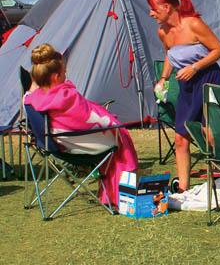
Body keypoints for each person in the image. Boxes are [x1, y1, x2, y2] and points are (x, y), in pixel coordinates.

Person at [23, 43, 139, 210]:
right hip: (74, 145)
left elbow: (33, 92)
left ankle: (111, 194)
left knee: (116, 135)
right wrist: (112, 123)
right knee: (120, 137)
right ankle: (122, 196)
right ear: (56, 76)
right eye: (64, 72)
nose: (66, 75)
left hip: (55, 144)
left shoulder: (32, 98)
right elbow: (88, 117)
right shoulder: (65, 96)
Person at [148, 0, 220, 192]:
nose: (151, 13)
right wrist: (163, 79)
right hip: (187, 84)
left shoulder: (193, 24)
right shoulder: (162, 32)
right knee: (181, 136)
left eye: (153, 8)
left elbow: (219, 50)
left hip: (207, 79)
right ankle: (182, 188)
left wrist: (195, 67)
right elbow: (170, 55)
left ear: (167, 7)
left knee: (209, 133)